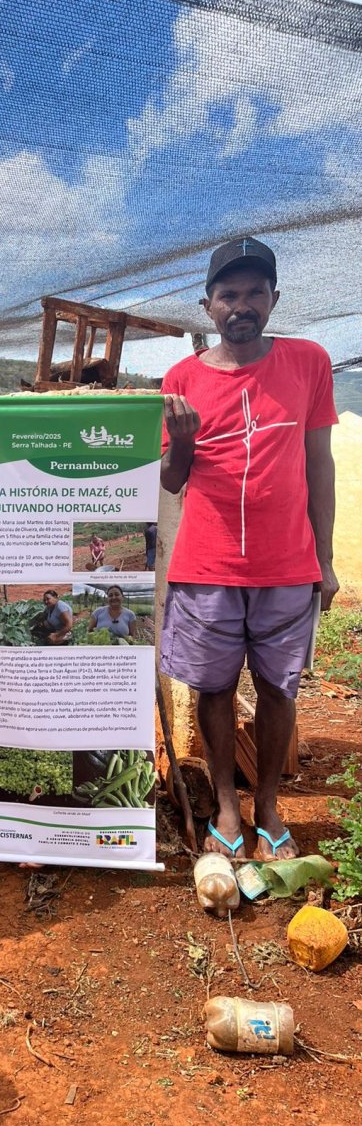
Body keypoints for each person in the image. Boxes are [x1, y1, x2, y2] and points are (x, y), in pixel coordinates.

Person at [160, 236, 338, 862]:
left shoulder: (309, 362)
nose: (242, 305)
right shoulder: (181, 378)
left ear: (273, 299)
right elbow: (172, 480)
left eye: (254, 293)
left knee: (278, 688)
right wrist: (181, 441)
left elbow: (320, 464)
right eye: (228, 294)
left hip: (287, 564)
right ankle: (228, 808)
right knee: (212, 687)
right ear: (207, 306)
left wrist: (327, 559)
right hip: (207, 564)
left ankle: (267, 805)